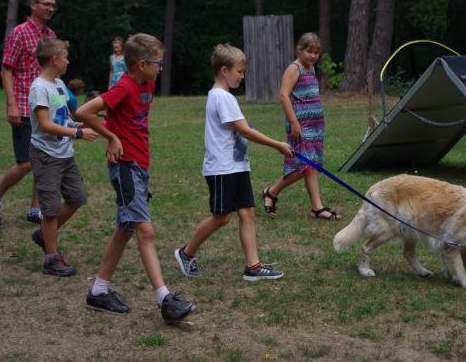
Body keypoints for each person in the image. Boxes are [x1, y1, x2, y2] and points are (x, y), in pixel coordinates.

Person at [75, 33, 196, 323]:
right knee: (146, 231)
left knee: (125, 229)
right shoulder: (124, 87)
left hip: (140, 165)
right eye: (158, 63)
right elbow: (83, 111)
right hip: (126, 167)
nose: (161, 68)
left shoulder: (148, 83)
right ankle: (165, 299)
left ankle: (98, 291)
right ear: (142, 64)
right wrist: (112, 137)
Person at [173, 43, 292, 282]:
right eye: (239, 71)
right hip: (222, 168)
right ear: (224, 70)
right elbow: (245, 131)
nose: (242, 76)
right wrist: (277, 144)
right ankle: (186, 253)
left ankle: (253, 266)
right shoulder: (221, 97)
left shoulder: (223, 97)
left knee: (247, 212)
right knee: (222, 217)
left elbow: (242, 129)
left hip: (236, 166)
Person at [0, 0, 58, 227]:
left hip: (46, 108)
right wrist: (11, 104)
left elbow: (53, 73)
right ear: (33, 5)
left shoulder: (51, 36)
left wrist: (60, 103)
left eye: (53, 5)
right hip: (24, 107)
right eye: (46, 4)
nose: (51, 8)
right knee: (26, 162)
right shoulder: (19, 33)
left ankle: (34, 209)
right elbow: (6, 69)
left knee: (44, 158)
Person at [27, 39, 97, 276]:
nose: (68, 61)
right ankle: (51, 258)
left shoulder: (58, 84)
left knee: (77, 198)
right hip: (46, 156)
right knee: (50, 210)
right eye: (65, 57)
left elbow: (61, 116)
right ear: (55, 60)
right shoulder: (39, 87)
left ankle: (44, 235)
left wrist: (75, 123)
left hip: (65, 154)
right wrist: (77, 133)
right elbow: (45, 125)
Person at [261, 33, 340, 220]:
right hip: (300, 124)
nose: (312, 56)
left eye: (316, 52)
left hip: (315, 125)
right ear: (299, 50)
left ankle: (317, 208)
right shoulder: (294, 68)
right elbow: (283, 95)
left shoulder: (311, 68)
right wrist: (295, 123)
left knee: (313, 164)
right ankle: (271, 192)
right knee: (305, 164)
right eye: (309, 51)